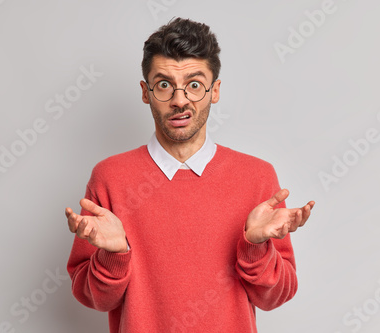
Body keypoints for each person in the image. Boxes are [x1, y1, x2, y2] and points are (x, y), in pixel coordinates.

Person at [66, 17, 315, 333]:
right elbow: (95, 300)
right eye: (164, 85)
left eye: (194, 85)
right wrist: (114, 256)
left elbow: (276, 296)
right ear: (146, 92)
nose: (180, 100)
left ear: (215, 91)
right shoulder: (110, 178)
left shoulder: (258, 177)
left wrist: (255, 248)